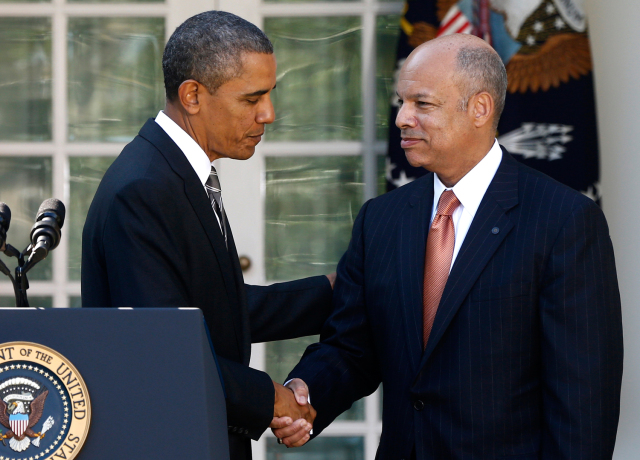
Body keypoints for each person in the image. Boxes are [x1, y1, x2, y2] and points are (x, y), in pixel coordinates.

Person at [272, 33, 624, 458]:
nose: (402, 118)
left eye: (422, 104)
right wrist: (305, 391)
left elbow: (582, 400)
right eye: (402, 102)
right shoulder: (380, 219)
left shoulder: (564, 221)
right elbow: (352, 346)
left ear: (479, 108)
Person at [82, 11, 327, 459]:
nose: (268, 114)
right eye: (252, 98)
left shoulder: (173, 174)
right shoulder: (144, 189)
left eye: (269, 95)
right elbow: (161, 350)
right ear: (192, 95)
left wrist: (333, 292)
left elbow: (215, 308)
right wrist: (270, 397)